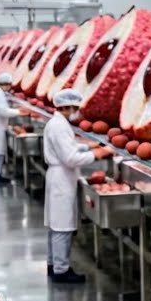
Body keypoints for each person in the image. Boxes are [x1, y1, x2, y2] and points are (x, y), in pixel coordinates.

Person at [43, 89, 113, 283]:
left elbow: (68, 147)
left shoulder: (58, 123)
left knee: (56, 225)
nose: (76, 111)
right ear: (66, 106)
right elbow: (70, 158)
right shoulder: (59, 126)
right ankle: (61, 271)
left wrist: (88, 146)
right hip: (62, 178)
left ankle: (53, 264)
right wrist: (97, 155)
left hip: (59, 176)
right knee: (62, 226)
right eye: (74, 107)